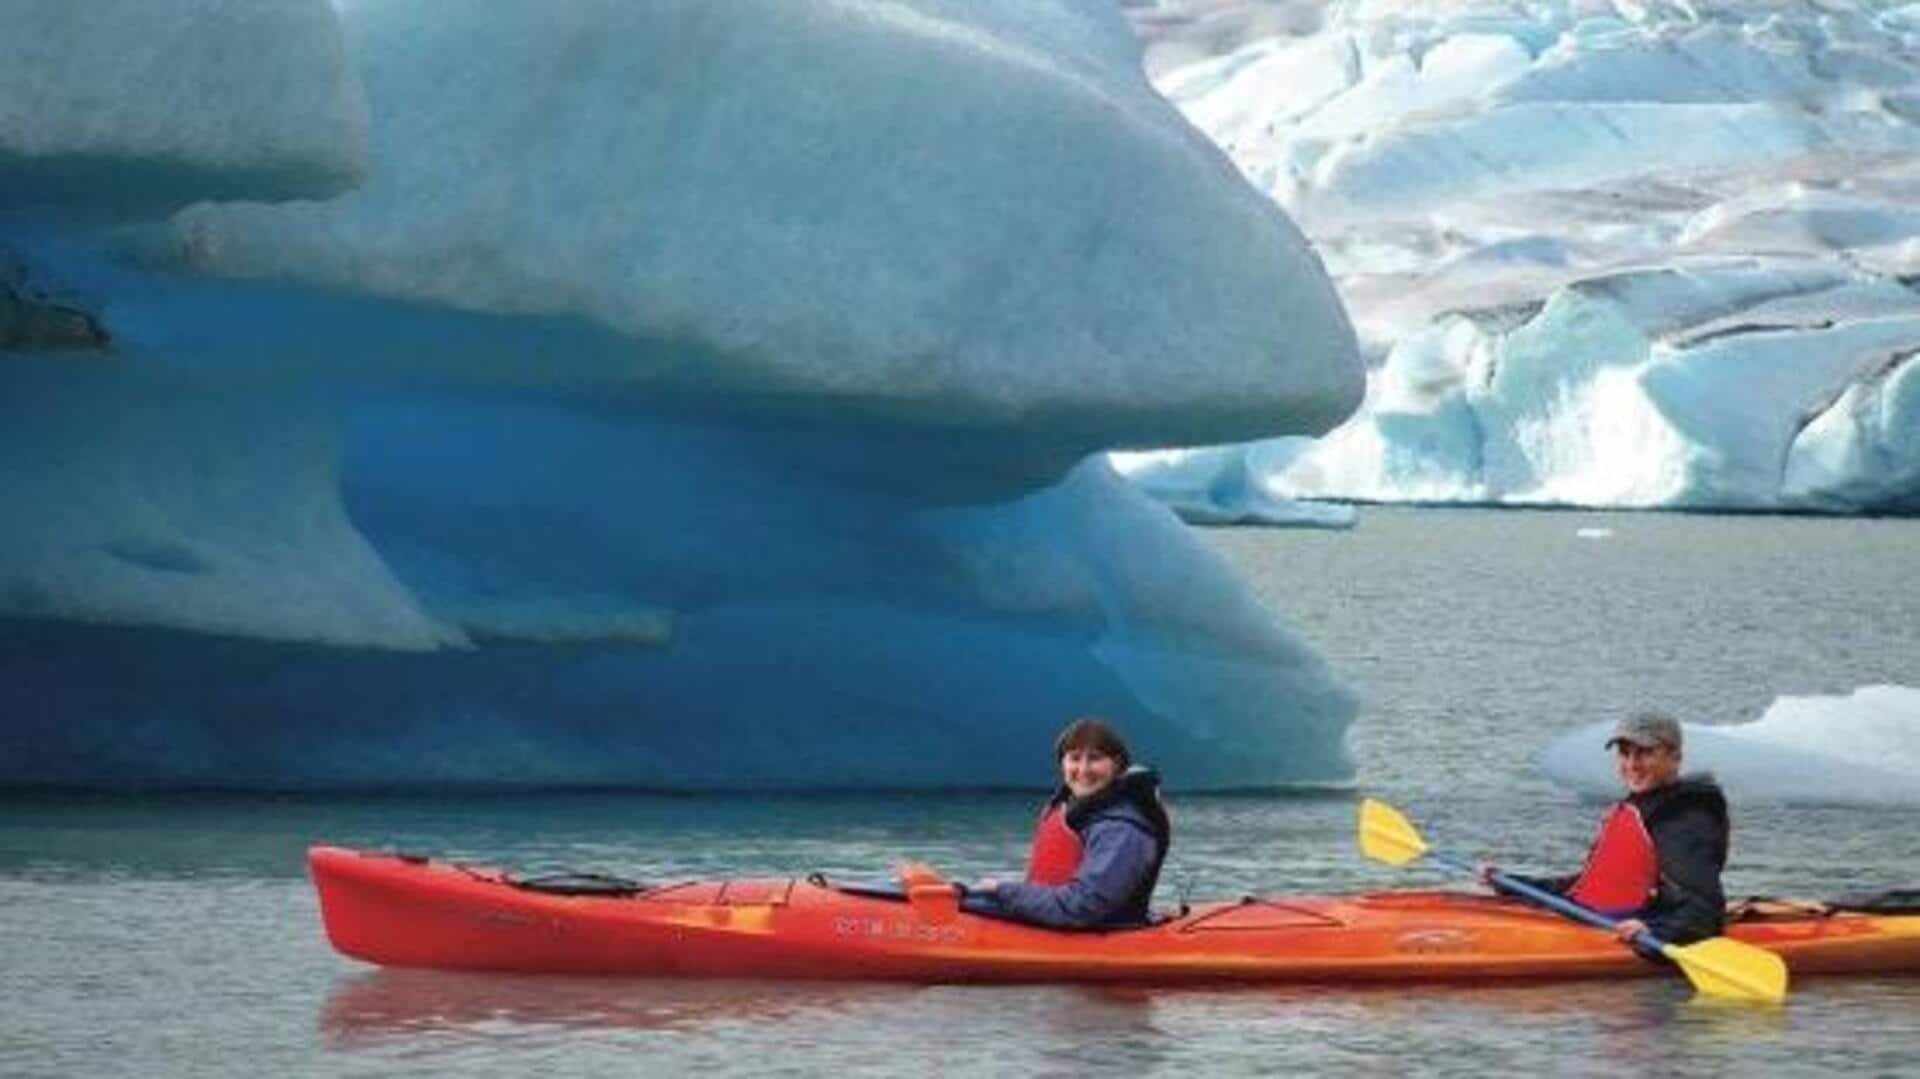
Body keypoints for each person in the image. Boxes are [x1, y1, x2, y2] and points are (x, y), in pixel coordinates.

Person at [1490, 710, 1729, 946]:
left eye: (1645, 753)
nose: (1632, 764)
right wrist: (1514, 884)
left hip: (1635, 930)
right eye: (1625, 753)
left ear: (1675, 757)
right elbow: (1589, 885)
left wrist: (1655, 931)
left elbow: (1705, 911)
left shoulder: (1683, 818)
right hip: (1595, 916)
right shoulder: (1644, 807)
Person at [968, 717, 1171, 929]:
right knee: (964, 897)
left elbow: (1081, 907)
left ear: (1117, 765)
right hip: (1051, 926)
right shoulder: (1072, 809)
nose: (1083, 770)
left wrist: (1004, 890)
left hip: (1089, 934)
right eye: (1074, 758)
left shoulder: (1120, 829)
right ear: (1062, 764)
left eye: (1095, 759)